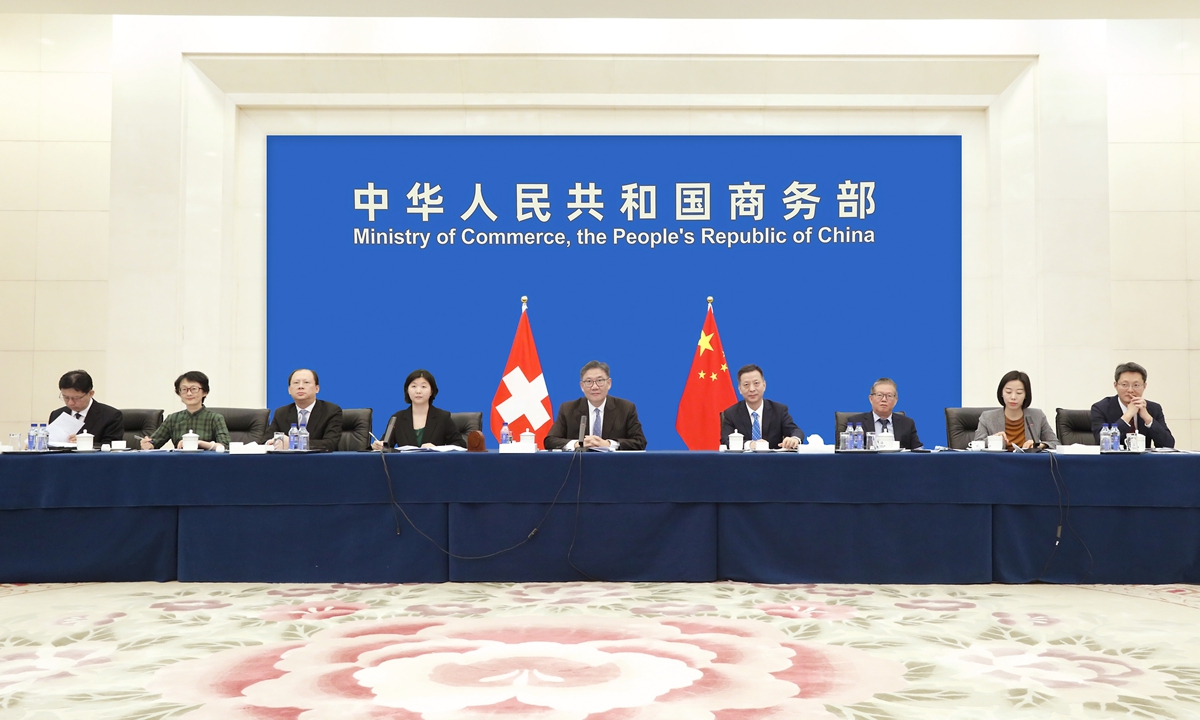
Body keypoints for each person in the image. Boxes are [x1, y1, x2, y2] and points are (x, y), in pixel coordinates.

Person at [544, 360, 646, 450]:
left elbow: (640, 442)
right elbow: (550, 441)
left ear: (609, 383)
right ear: (582, 386)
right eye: (589, 382)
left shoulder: (626, 408)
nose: (594, 387)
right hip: (579, 467)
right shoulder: (568, 409)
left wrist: (608, 444)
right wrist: (577, 444)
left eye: (600, 381)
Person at [372, 369, 465, 450]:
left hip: (435, 467)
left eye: (423, 386)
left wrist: (437, 449)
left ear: (431, 391)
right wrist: (378, 446)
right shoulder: (397, 418)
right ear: (407, 390)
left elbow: (460, 445)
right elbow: (386, 444)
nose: (418, 391)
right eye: (413, 386)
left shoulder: (443, 417)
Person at [1090, 361, 1174, 449]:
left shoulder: (1153, 408)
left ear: (1144, 386)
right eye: (1124, 385)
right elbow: (1102, 443)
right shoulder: (1100, 408)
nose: (1130, 390)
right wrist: (1128, 415)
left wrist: (1147, 418)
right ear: (1115, 385)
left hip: (1143, 461)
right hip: (1113, 461)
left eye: (1136, 385)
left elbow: (1168, 445)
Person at [719, 364, 803, 449]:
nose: (752, 389)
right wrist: (751, 445)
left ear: (764, 385)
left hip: (773, 461)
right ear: (740, 389)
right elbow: (726, 440)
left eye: (756, 383)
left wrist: (794, 439)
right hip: (743, 461)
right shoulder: (731, 414)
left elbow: (795, 431)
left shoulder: (779, 410)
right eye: (746, 385)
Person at [141, 371, 230, 451]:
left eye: (194, 389)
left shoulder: (215, 418)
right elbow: (153, 443)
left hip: (207, 464)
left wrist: (199, 443)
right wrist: (147, 445)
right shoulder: (173, 418)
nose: (189, 393)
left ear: (205, 392)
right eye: (184, 389)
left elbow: (225, 447)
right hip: (179, 464)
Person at [974, 370, 1058, 450]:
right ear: (1001, 393)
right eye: (1008, 392)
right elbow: (976, 444)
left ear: (1026, 395)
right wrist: (993, 439)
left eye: (1019, 393)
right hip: (997, 463)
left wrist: (1040, 445)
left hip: (1028, 463)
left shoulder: (1038, 416)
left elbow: (1055, 443)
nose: (1013, 397)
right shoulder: (987, 417)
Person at [263, 368, 343, 451]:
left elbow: (330, 444)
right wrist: (272, 443)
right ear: (289, 390)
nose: (300, 386)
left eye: (306, 382)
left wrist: (293, 443)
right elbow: (265, 440)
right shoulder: (281, 413)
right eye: (296, 383)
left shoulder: (331, 411)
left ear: (317, 388)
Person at [47, 369, 124, 445]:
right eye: (66, 397)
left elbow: (111, 446)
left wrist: (85, 443)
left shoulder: (111, 415)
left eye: (76, 398)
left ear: (90, 393)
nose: (70, 403)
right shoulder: (56, 415)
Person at [843, 377, 922, 450]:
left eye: (889, 396)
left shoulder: (907, 423)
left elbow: (918, 451)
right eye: (879, 395)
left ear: (896, 400)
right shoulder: (855, 422)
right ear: (871, 399)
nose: (884, 399)